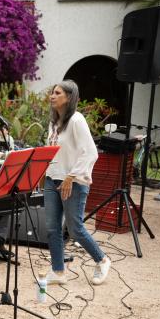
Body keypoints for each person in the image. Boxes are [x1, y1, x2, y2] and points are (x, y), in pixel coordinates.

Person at [42, 80, 111, 286]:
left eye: (57, 93)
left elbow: (90, 152)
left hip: (74, 181)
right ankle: (58, 271)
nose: (52, 96)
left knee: (74, 228)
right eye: (52, 93)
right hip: (52, 179)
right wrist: (43, 173)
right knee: (52, 228)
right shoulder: (54, 122)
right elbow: (53, 152)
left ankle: (102, 259)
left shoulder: (76, 120)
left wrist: (71, 177)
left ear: (69, 97)